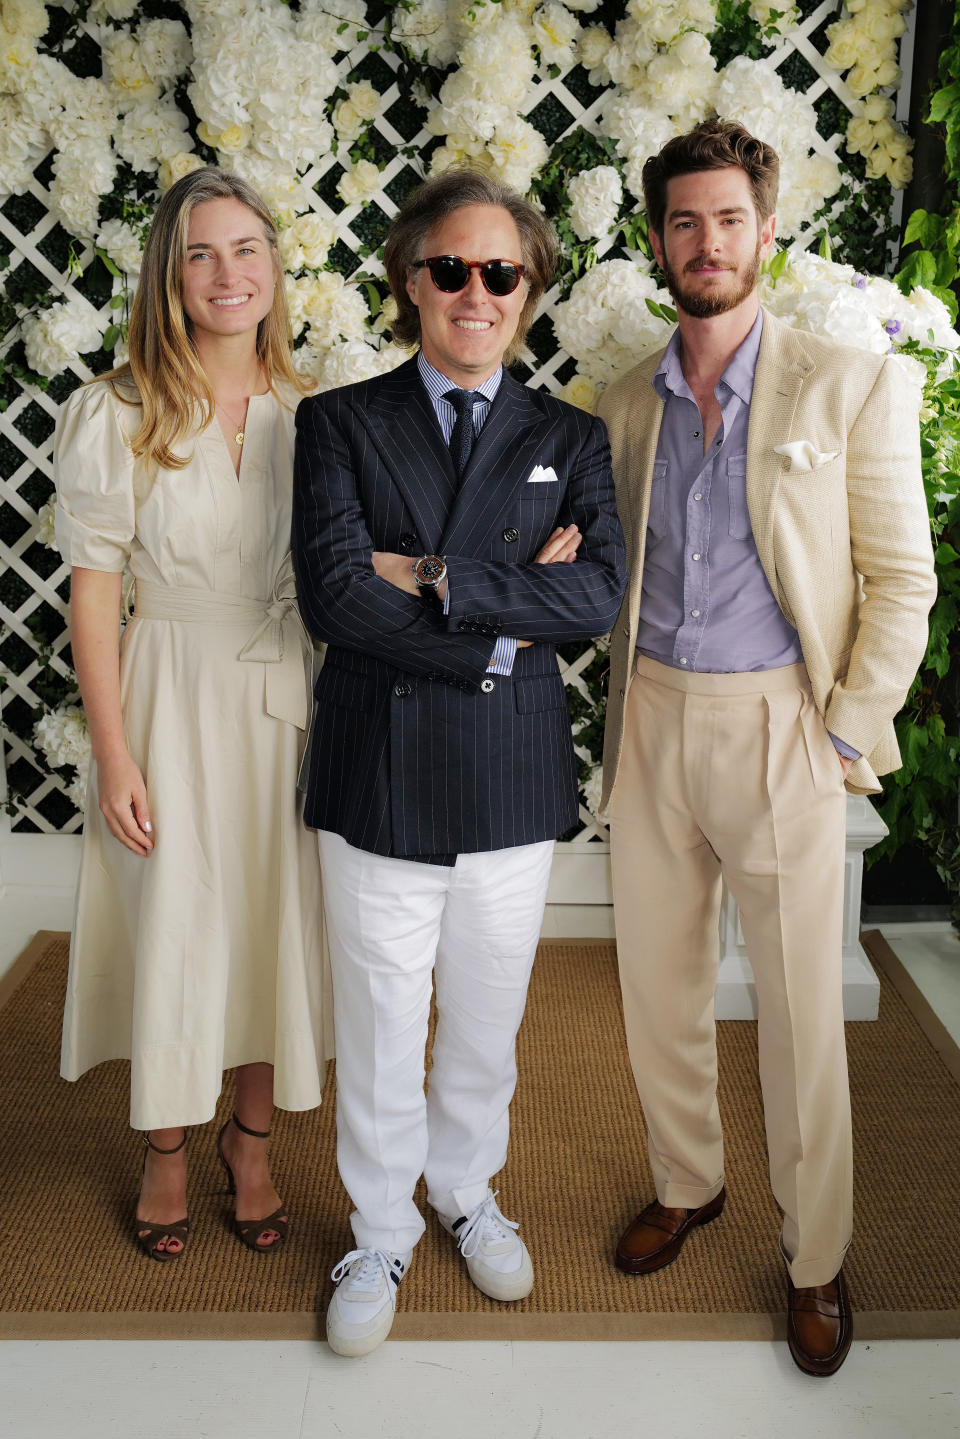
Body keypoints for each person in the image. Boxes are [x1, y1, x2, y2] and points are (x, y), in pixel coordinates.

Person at [597, 120, 936, 1376]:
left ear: (767, 232)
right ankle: (688, 1181)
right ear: (658, 242)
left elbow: (902, 581)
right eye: (684, 222)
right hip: (654, 720)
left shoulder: (846, 384)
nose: (706, 242)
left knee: (800, 1012)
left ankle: (818, 1253)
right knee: (660, 985)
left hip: (785, 722)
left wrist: (843, 727)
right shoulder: (624, 400)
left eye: (728, 219)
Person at [292, 169, 626, 1357]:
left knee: (486, 1016)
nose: (475, 292)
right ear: (410, 279)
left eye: (502, 272)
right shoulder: (337, 422)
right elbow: (336, 595)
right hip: (376, 766)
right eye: (451, 268)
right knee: (381, 1017)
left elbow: (594, 594)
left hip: (510, 775)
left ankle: (465, 1193)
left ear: (528, 290)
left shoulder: (570, 435)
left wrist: (430, 577)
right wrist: (501, 622)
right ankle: (379, 1224)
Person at [55, 168, 332, 1262]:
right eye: (202, 253)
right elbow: (92, 592)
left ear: (274, 267)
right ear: (170, 276)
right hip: (167, 687)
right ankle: (165, 1151)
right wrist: (114, 749)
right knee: (177, 922)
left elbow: (353, 567)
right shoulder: (117, 409)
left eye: (247, 249)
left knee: (273, 916)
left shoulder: (315, 414)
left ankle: (251, 1144)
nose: (229, 273)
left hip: (286, 694)